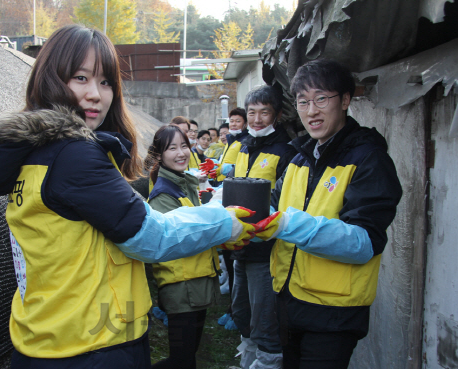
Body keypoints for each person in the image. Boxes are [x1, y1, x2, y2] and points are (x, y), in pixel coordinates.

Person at [0, 25, 258, 369]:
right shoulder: (73, 155)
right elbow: (153, 239)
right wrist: (223, 221)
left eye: (106, 81)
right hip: (94, 345)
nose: (96, 94)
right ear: (50, 79)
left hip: (44, 337)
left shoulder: (32, 152)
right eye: (81, 78)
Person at [254, 59, 402, 368]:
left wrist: (286, 224)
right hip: (289, 299)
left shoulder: (368, 159)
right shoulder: (301, 157)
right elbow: (272, 206)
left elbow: (364, 243)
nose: (311, 111)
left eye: (322, 98)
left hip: (334, 312)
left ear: (345, 100)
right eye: (303, 101)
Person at [229, 85, 297, 369]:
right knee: (241, 311)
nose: (257, 119)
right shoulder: (244, 146)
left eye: (264, 112)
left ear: (277, 115)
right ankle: (248, 361)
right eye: (252, 112)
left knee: (264, 318)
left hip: (266, 251)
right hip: (241, 244)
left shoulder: (286, 151)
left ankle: (267, 361)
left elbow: (285, 200)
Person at [147, 125, 221, 369]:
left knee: (188, 356)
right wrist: (218, 223)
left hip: (196, 280)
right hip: (181, 286)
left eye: (184, 146)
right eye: (172, 148)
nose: (181, 153)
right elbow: (181, 238)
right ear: (159, 156)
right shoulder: (162, 195)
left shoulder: (186, 181)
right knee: (182, 360)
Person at [213, 108, 250, 182]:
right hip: (222, 181)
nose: (233, 124)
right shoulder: (231, 141)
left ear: (245, 124)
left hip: (233, 182)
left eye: (238, 121)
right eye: (231, 121)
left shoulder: (246, 141)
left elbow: (244, 165)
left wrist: (226, 169)